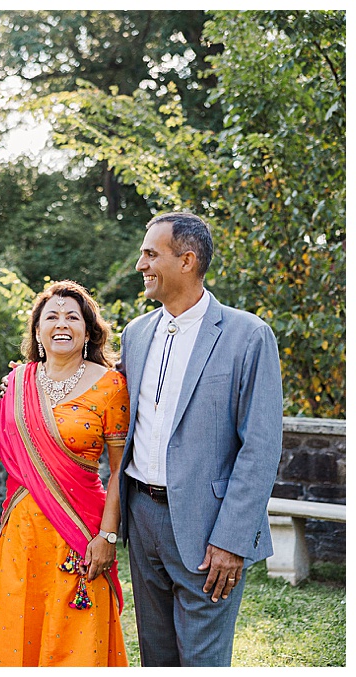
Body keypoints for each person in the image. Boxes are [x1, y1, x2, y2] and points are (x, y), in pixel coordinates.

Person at [120, 212, 283, 666]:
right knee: (156, 658)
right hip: (142, 517)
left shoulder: (249, 336)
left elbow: (261, 447)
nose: (141, 265)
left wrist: (231, 540)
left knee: (202, 662)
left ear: (187, 260)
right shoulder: (136, 334)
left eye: (151, 254)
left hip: (209, 529)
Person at [0, 281, 129, 667]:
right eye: (52, 316)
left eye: (72, 317)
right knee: (19, 635)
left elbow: (118, 471)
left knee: (75, 638)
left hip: (81, 529)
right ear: (38, 330)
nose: (62, 324)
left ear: (88, 329)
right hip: (22, 532)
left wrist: (107, 535)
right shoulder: (16, 382)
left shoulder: (111, 386)